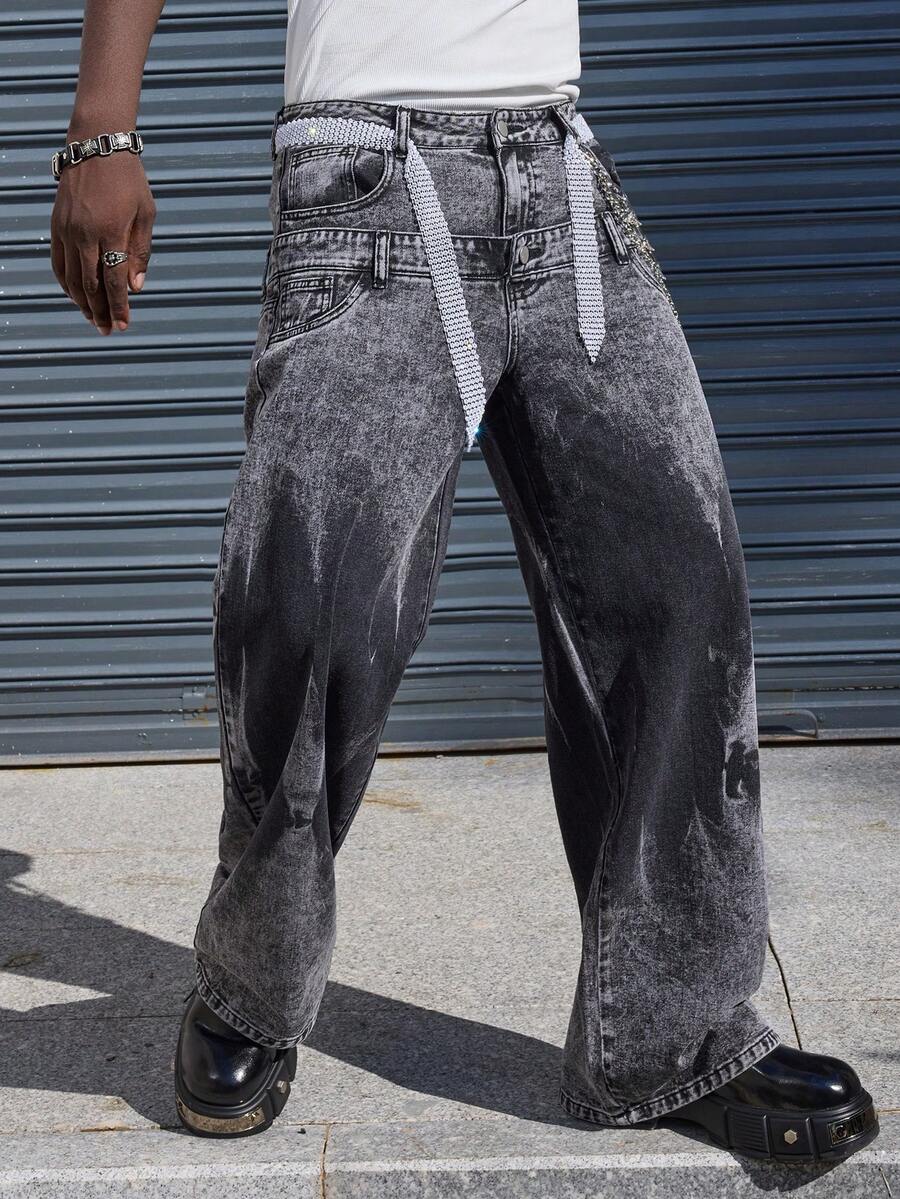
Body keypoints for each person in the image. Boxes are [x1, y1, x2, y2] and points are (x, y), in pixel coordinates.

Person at [51, 0, 879, 1163]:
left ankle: (667, 1035)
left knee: (679, 586)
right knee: (311, 604)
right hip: (365, 170)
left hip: (557, 162)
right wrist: (101, 128)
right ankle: (252, 986)